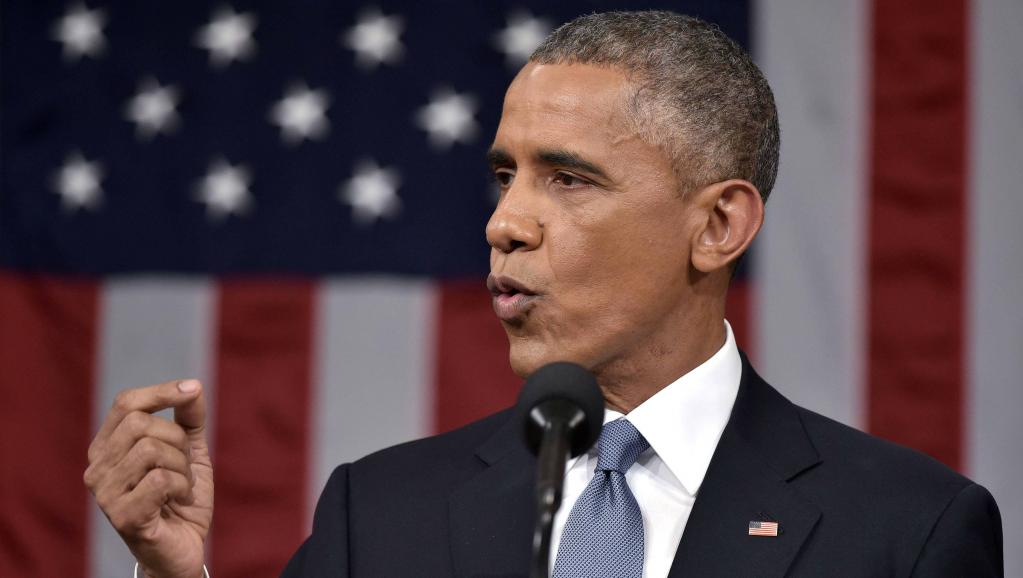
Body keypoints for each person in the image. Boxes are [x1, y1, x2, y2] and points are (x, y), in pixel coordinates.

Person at [84, 11, 1003, 578]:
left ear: (718, 224)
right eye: (502, 175)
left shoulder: (903, 530)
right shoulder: (382, 513)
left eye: (567, 179)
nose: (504, 222)